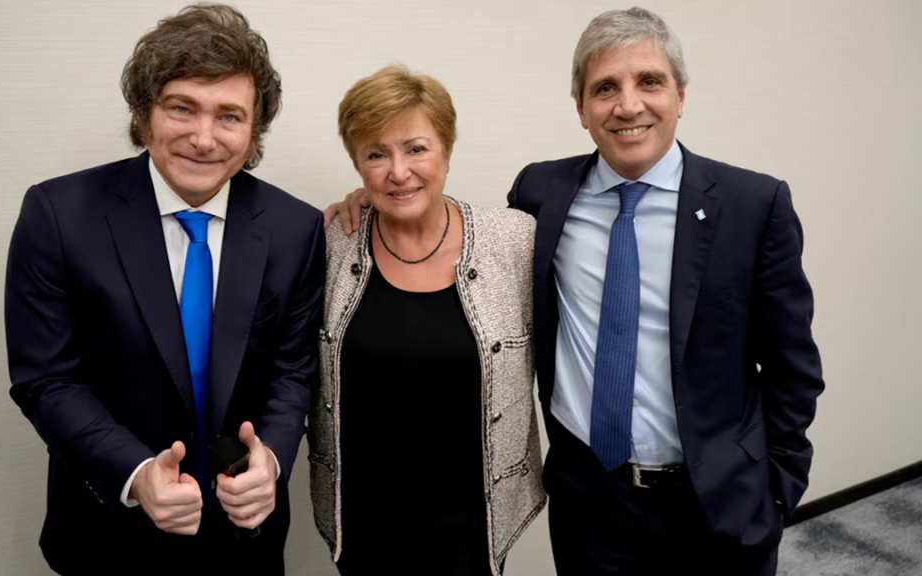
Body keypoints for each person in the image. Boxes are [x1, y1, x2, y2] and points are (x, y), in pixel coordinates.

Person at [326, 7, 824, 575]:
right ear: (582, 109)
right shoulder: (541, 196)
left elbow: (792, 368)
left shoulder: (752, 206)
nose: (628, 105)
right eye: (605, 87)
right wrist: (372, 201)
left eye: (650, 82)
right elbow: (463, 244)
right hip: (590, 503)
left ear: (680, 96)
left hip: (716, 502)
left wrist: (778, 490)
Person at [3, 5, 324, 574]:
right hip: (107, 534)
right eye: (182, 108)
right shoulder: (58, 214)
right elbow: (47, 379)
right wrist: (135, 473)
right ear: (145, 112)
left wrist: (271, 460)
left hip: (243, 541)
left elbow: (293, 373)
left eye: (229, 116)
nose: (203, 138)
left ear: (253, 130)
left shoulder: (296, 228)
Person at [308, 65, 545, 576]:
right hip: (363, 526)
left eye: (416, 148)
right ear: (357, 163)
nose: (398, 172)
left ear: (447, 151)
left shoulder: (514, 241)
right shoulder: (329, 247)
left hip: (474, 528)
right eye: (376, 154)